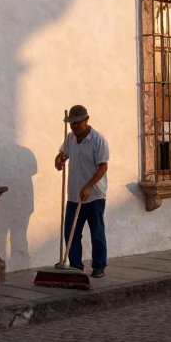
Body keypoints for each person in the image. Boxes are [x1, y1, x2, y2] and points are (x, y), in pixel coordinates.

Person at [55, 105, 110, 277]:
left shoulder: (98, 140)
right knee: (71, 233)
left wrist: (88, 186)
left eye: (77, 123)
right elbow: (62, 155)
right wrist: (59, 159)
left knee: (97, 232)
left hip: (94, 195)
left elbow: (103, 167)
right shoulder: (70, 138)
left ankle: (99, 265)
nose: (74, 127)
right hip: (73, 195)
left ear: (86, 121)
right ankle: (76, 267)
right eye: (71, 124)